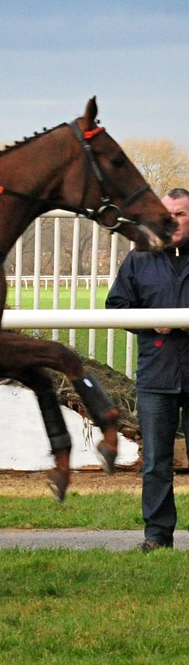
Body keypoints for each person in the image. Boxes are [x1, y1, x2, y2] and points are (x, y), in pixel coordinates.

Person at [105, 188, 189, 551]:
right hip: (158, 375)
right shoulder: (139, 257)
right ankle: (157, 536)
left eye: (182, 213)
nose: (174, 220)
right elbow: (117, 306)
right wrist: (149, 324)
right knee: (156, 462)